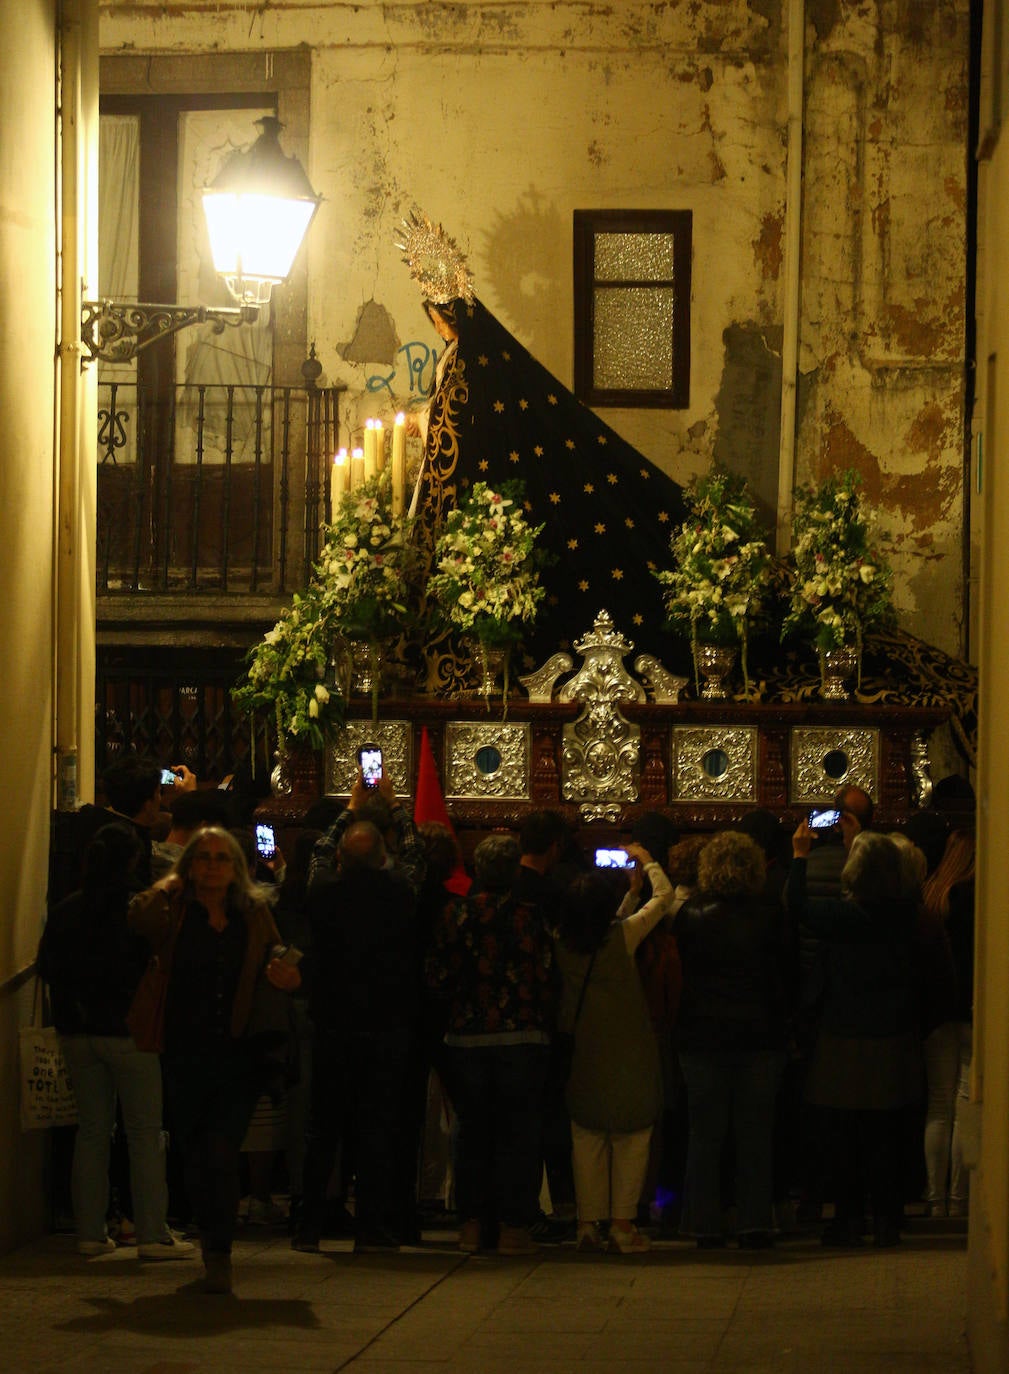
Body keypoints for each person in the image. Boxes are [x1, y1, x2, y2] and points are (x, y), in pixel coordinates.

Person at [397, 219, 687, 684]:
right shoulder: (464, 357)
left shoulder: (465, 358)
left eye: (434, 316)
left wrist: (417, 422)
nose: (434, 325)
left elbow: (455, 419)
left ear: (442, 314)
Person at [128, 826, 300, 1293]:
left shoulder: (253, 911)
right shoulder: (176, 910)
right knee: (196, 1153)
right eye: (202, 857)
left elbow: (278, 957)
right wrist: (166, 884)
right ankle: (210, 1239)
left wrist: (287, 977)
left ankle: (219, 1255)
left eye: (221, 858)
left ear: (236, 867)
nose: (211, 865)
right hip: (184, 1050)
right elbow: (139, 919)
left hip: (237, 1051)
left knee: (223, 1151)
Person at [37, 824, 195, 1262]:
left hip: (77, 1033)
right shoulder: (134, 909)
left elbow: (48, 965)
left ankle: (89, 1232)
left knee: (92, 1131)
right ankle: (151, 1233)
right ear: (132, 861)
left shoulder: (68, 909)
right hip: (129, 1032)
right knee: (145, 1133)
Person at [295, 771, 427, 1253]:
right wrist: (395, 809)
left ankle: (308, 1226)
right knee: (376, 1129)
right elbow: (416, 855)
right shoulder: (398, 893)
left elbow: (313, 857)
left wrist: (349, 809)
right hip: (385, 1024)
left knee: (322, 1129)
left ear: (340, 857)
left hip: (332, 1021)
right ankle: (370, 1227)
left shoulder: (323, 891)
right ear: (382, 856)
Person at [788, 819, 921, 1248]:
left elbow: (798, 907)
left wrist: (800, 858)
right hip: (891, 1033)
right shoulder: (906, 916)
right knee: (885, 1133)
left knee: (842, 1134)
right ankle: (886, 1218)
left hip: (842, 1035)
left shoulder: (843, 917)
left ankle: (846, 1218)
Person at [427, 833, 555, 1256]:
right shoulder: (530, 918)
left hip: (466, 1038)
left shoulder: (455, 914)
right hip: (522, 1036)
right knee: (519, 1133)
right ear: (515, 870)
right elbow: (546, 975)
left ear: (478, 869)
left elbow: (439, 976)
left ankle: (473, 1223)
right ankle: (515, 1225)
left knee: (472, 1132)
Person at [673, 830, 793, 1248]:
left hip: (702, 1035)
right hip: (759, 1035)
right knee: (755, 1132)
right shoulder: (771, 914)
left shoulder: (691, 914)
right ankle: (754, 1222)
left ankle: (703, 1223)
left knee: (705, 1134)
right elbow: (785, 976)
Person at [554, 843, 672, 1254]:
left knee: (586, 1138)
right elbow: (666, 898)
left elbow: (600, 925)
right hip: (628, 1054)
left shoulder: (560, 943)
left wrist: (629, 894)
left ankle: (588, 1224)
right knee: (631, 1136)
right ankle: (623, 1225)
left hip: (583, 1053)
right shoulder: (623, 938)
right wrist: (647, 860)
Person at [919, 828, 976, 1217]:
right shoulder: (978, 897)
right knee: (967, 1100)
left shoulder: (932, 895)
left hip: (937, 1011)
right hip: (973, 1009)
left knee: (938, 1105)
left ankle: (934, 1199)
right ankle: (959, 1200)